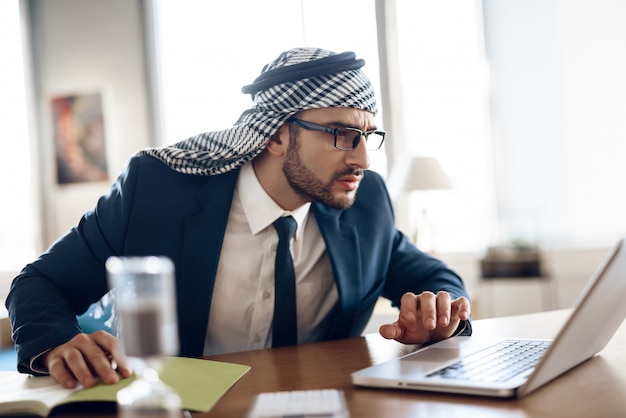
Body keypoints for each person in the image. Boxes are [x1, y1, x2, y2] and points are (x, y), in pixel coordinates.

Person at [6, 47, 472, 390]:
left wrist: (441, 310)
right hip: (177, 405)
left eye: (369, 136)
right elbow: (38, 283)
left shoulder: (364, 203)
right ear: (275, 136)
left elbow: (434, 276)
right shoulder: (157, 192)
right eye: (342, 134)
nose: (363, 160)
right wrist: (56, 344)